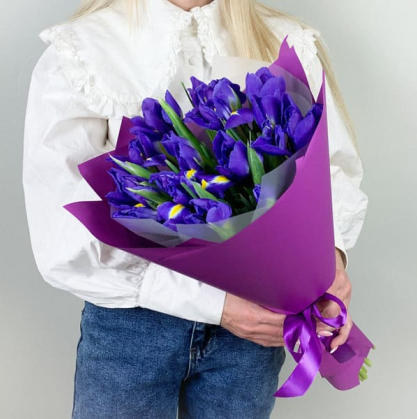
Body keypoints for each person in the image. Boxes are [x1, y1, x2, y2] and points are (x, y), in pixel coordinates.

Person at [22, 0, 368, 417]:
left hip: (253, 337)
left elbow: (330, 172)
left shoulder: (285, 40)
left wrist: (328, 265)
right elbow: (63, 230)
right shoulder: (82, 50)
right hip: (133, 329)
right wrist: (217, 306)